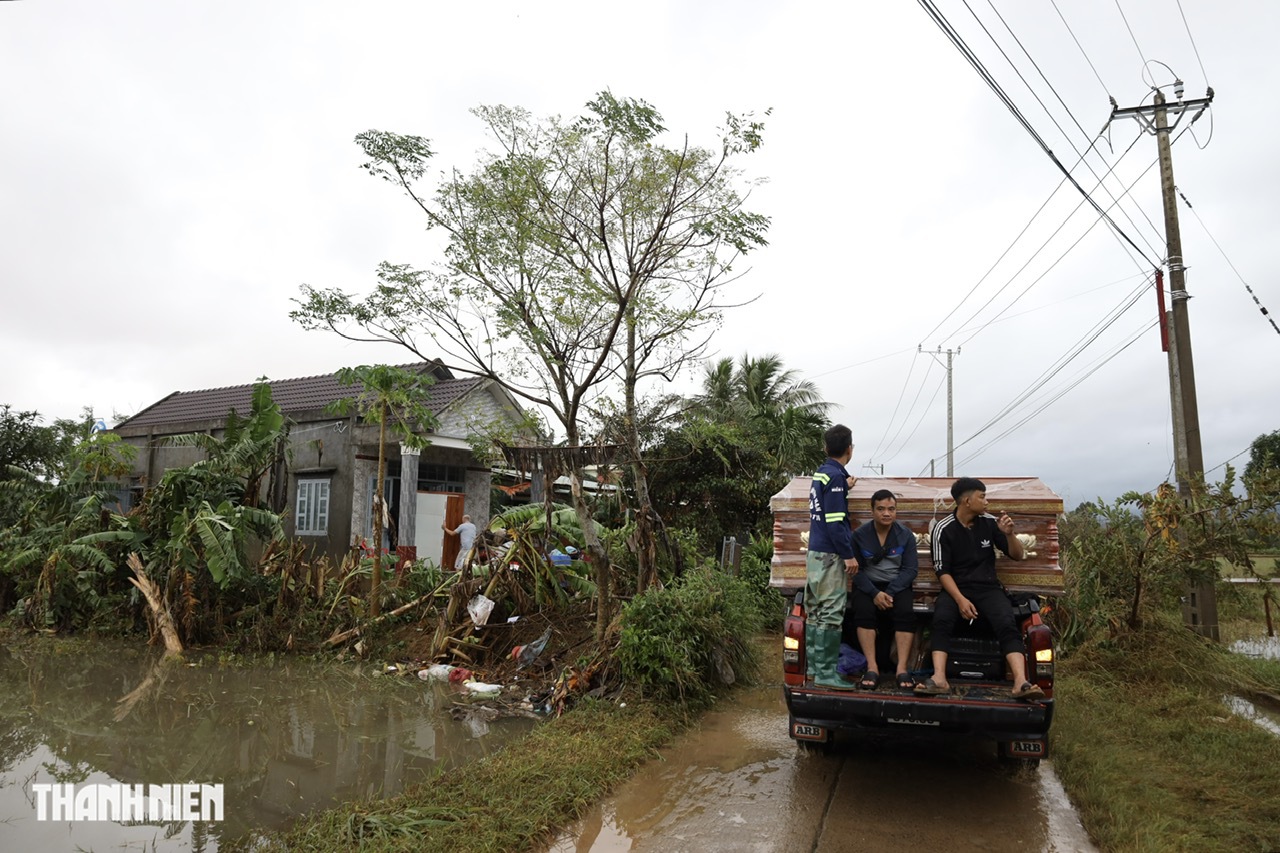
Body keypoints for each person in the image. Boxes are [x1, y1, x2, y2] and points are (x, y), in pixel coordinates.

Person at [915, 477, 1044, 700]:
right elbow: (942, 571)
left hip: (988, 587)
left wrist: (1009, 534)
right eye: (982, 496)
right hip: (956, 587)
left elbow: (1016, 554)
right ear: (966, 500)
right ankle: (939, 679)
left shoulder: (990, 523)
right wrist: (960, 600)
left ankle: (1021, 683)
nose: (986, 501)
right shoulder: (943, 529)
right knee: (942, 620)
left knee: (1006, 622)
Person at [805, 424, 859, 691]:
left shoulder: (822, 474)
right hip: (830, 555)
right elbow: (836, 522)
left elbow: (824, 505)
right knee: (830, 613)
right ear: (850, 449)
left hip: (815, 553)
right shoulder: (835, 478)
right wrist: (848, 556)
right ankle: (827, 673)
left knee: (815, 612)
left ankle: (815, 668)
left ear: (826, 448)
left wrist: (843, 486)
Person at [850, 489, 918, 690]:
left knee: (905, 612)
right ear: (872, 511)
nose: (886, 514)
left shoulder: (905, 535)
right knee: (863, 612)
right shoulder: (859, 536)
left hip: (896, 585)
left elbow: (910, 570)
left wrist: (890, 592)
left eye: (891, 509)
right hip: (868, 585)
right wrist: (874, 593)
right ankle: (872, 667)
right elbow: (856, 570)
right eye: (881, 509)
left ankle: (902, 669)